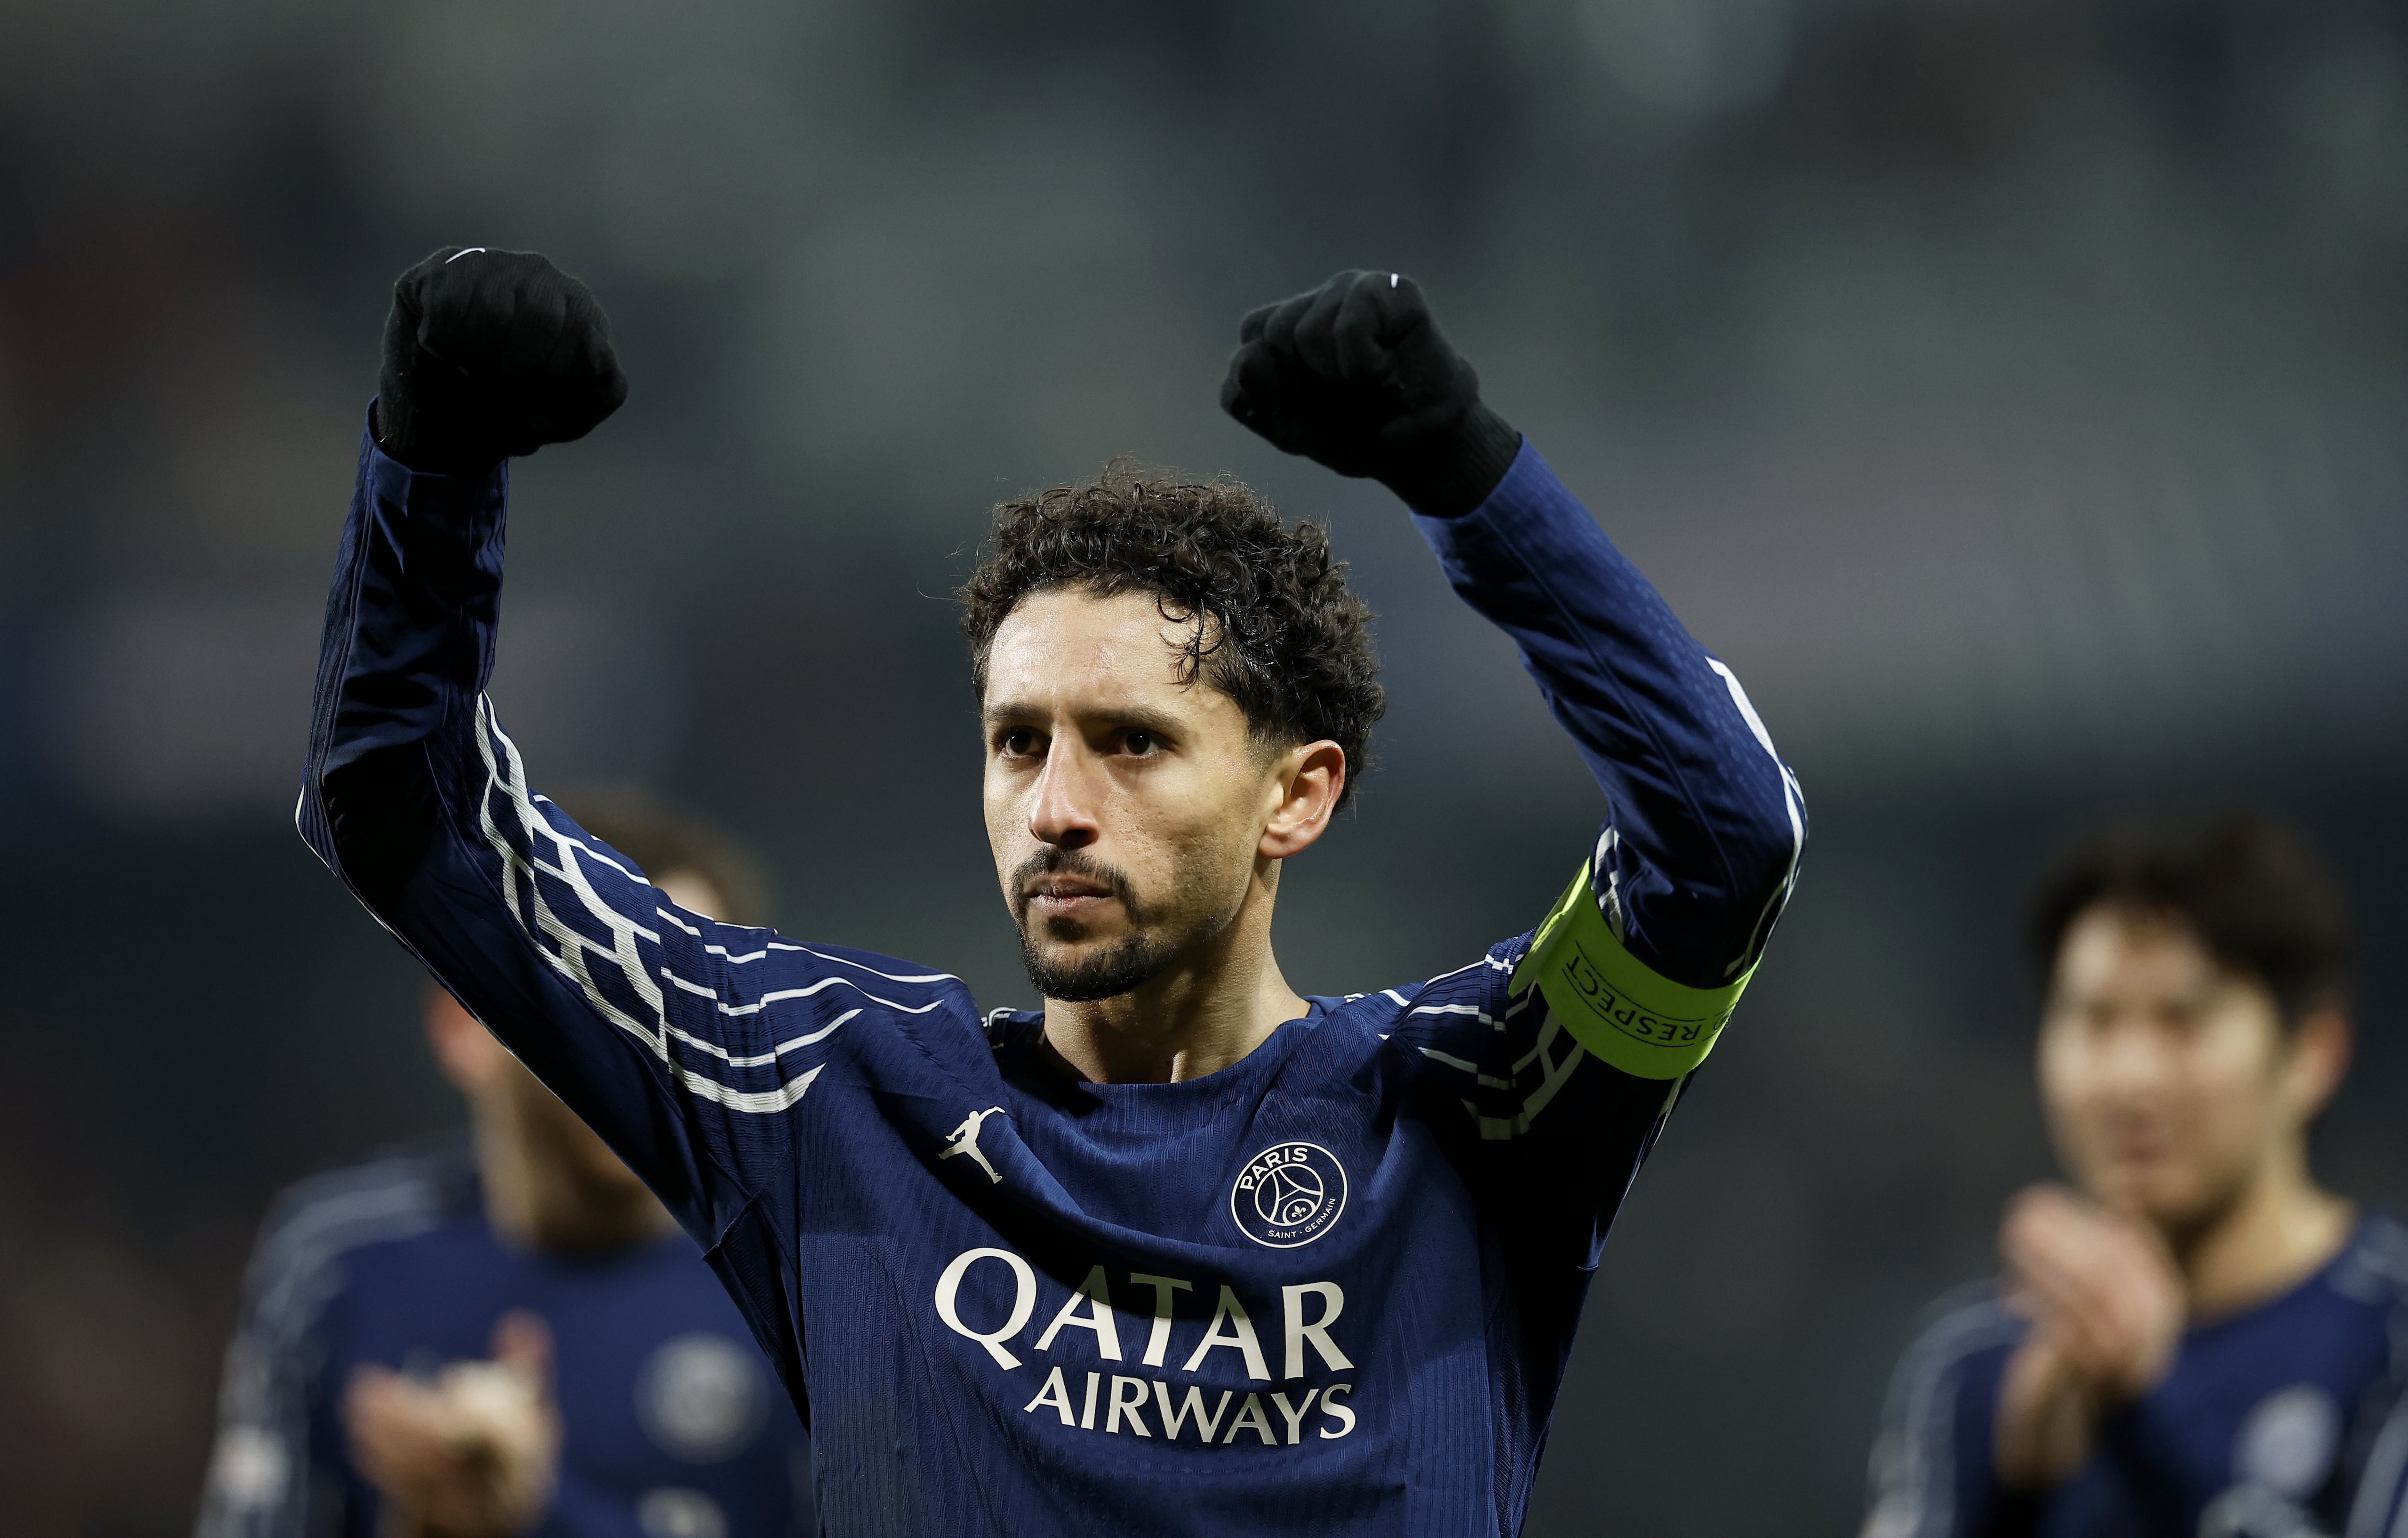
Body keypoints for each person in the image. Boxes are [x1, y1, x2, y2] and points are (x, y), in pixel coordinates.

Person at [296, 247, 1806, 1535]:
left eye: (1134, 744)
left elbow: (1727, 831)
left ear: (1302, 791)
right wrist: (433, 463)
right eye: (1018, 743)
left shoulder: (1478, 1109)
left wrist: (1468, 473)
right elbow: (402, 813)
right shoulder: (826, 1092)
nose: (1057, 809)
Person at [197, 795, 813, 1538]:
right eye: (598, 996)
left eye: (690, 1005)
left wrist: (535, 1517)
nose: (652, 1051)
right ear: (466, 1024)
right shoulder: (341, 1259)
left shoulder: (808, 1283)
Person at [1863, 814, 2408, 1538]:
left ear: (2313, 1051)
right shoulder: (1973, 1366)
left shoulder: (2388, 1336)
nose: (2128, 1077)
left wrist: (2154, 1408)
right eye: (2093, 1019)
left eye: (2183, 1020)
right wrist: (2007, 1494)